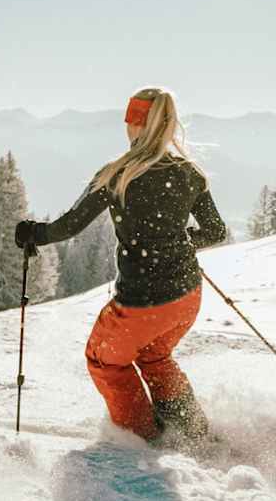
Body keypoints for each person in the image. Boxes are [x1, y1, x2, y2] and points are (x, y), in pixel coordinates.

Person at [14, 87, 229, 447]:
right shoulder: (189, 173)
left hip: (142, 302)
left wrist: (31, 234)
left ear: (133, 122)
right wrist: (175, 242)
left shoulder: (119, 174)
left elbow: (69, 226)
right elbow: (216, 231)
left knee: (105, 360)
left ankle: (141, 437)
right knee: (155, 355)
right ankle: (195, 432)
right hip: (186, 297)